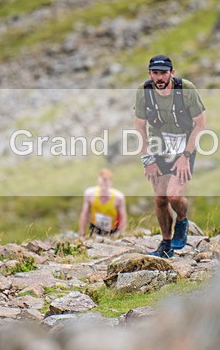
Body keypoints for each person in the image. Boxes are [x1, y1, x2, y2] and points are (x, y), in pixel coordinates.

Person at [134, 55, 207, 258]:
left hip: (184, 146)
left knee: (174, 195)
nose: (159, 77)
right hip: (159, 147)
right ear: (150, 73)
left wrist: (186, 155)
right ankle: (166, 244)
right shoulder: (144, 92)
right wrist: (147, 159)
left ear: (172, 73)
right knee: (160, 199)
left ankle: (182, 220)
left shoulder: (186, 89)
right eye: (155, 73)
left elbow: (200, 124)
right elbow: (139, 127)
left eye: (163, 73)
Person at [78, 168, 127, 236]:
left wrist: (121, 234)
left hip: (112, 231)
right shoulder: (89, 194)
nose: (104, 186)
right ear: (97, 182)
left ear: (111, 182)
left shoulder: (119, 197)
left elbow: (123, 217)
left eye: (106, 183)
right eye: (102, 183)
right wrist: (81, 233)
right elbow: (84, 214)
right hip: (95, 229)